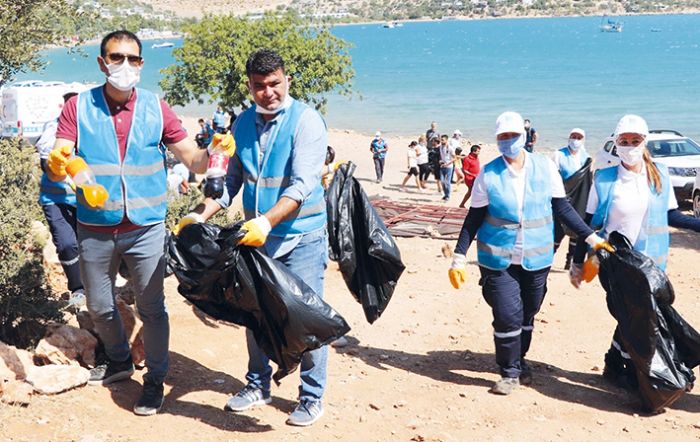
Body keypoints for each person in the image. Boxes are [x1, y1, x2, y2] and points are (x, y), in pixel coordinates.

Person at [47, 30, 210, 416]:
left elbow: (194, 160)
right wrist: (57, 166)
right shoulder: (79, 108)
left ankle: (154, 381)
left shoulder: (157, 108)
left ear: (141, 64)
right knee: (100, 306)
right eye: (116, 57)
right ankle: (119, 359)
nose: (124, 65)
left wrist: (214, 150)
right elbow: (60, 158)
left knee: (152, 308)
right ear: (102, 63)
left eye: (132, 59)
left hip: (145, 226)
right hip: (95, 225)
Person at [176, 49, 330, 427]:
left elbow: (303, 184)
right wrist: (199, 214)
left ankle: (312, 396)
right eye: (259, 86)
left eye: (275, 83)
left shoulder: (307, 122)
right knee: (255, 313)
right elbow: (229, 185)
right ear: (250, 86)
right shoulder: (242, 124)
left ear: (287, 80)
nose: (268, 92)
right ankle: (258, 385)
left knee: (306, 316)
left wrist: (265, 221)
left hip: (302, 235)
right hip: (257, 239)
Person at [447, 111, 611, 396]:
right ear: (497, 140)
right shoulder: (489, 173)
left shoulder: (544, 167)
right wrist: (459, 255)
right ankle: (509, 372)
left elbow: (563, 209)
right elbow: (473, 218)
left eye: (513, 136)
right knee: (507, 314)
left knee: (528, 313)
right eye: (503, 137)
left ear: (524, 137)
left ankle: (520, 360)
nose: (508, 141)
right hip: (498, 259)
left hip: (537, 257)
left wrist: (591, 237)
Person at [569, 114, 700, 389]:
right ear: (616, 144)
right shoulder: (603, 178)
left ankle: (616, 361)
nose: (629, 146)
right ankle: (627, 368)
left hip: (652, 266)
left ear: (644, 141)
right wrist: (577, 262)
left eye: (635, 140)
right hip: (616, 263)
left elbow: (673, 216)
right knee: (632, 314)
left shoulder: (659, 174)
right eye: (624, 141)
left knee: (639, 314)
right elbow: (587, 225)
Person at [36, 91, 85, 309]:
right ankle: (77, 289)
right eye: (69, 103)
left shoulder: (93, 130)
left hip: (86, 199)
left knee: (92, 244)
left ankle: (99, 285)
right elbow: (45, 162)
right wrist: (56, 166)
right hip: (55, 197)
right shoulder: (51, 129)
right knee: (66, 244)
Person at [551, 128, 589, 269]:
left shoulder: (585, 157)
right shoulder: (559, 155)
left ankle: (569, 261)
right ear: (569, 137)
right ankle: (548, 259)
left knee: (575, 232)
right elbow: (552, 176)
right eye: (573, 136)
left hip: (579, 200)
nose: (576, 139)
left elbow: (587, 179)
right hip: (562, 198)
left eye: (579, 137)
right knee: (558, 230)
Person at [438, 134, 456, 201]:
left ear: (446, 140)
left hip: (449, 167)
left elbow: (454, 158)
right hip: (442, 166)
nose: (441, 141)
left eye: (443, 140)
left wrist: (447, 164)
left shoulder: (450, 148)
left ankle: (448, 196)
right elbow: (441, 156)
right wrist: (440, 161)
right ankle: (445, 195)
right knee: (442, 182)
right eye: (441, 140)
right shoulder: (440, 147)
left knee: (447, 182)